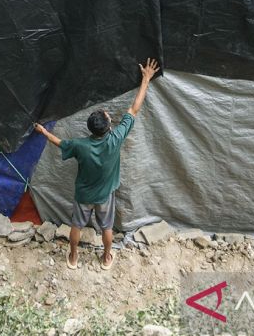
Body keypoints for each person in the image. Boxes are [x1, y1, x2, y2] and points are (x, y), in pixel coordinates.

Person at [34, 58, 160, 270]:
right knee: (107, 227)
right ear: (108, 125)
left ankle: (73, 257)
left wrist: (44, 131)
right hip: (104, 196)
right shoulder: (115, 138)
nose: (109, 115)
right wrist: (146, 79)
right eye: (107, 116)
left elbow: (60, 143)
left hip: (83, 195)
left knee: (77, 225)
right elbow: (135, 109)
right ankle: (106, 258)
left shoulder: (80, 146)